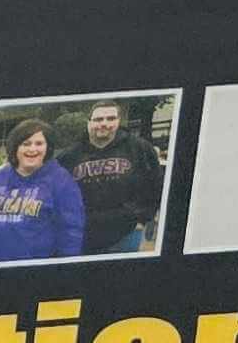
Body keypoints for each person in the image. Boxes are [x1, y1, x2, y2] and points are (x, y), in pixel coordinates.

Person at [0, 118, 87, 264]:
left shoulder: (60, 180)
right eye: (26, 144)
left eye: (39, 143)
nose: (32, 149)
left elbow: (71, 230)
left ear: (48, 148)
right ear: (15, 147)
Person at [59, 99, 163, 255]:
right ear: (89, 122)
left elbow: (156, 184)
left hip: (127, 234)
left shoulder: (140, 148)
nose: (104, 123)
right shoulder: (69, 156)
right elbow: (58, 193)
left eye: (111, 118)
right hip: (84, 236)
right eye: (98, 119)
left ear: (118, 121)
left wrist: (143, 218)